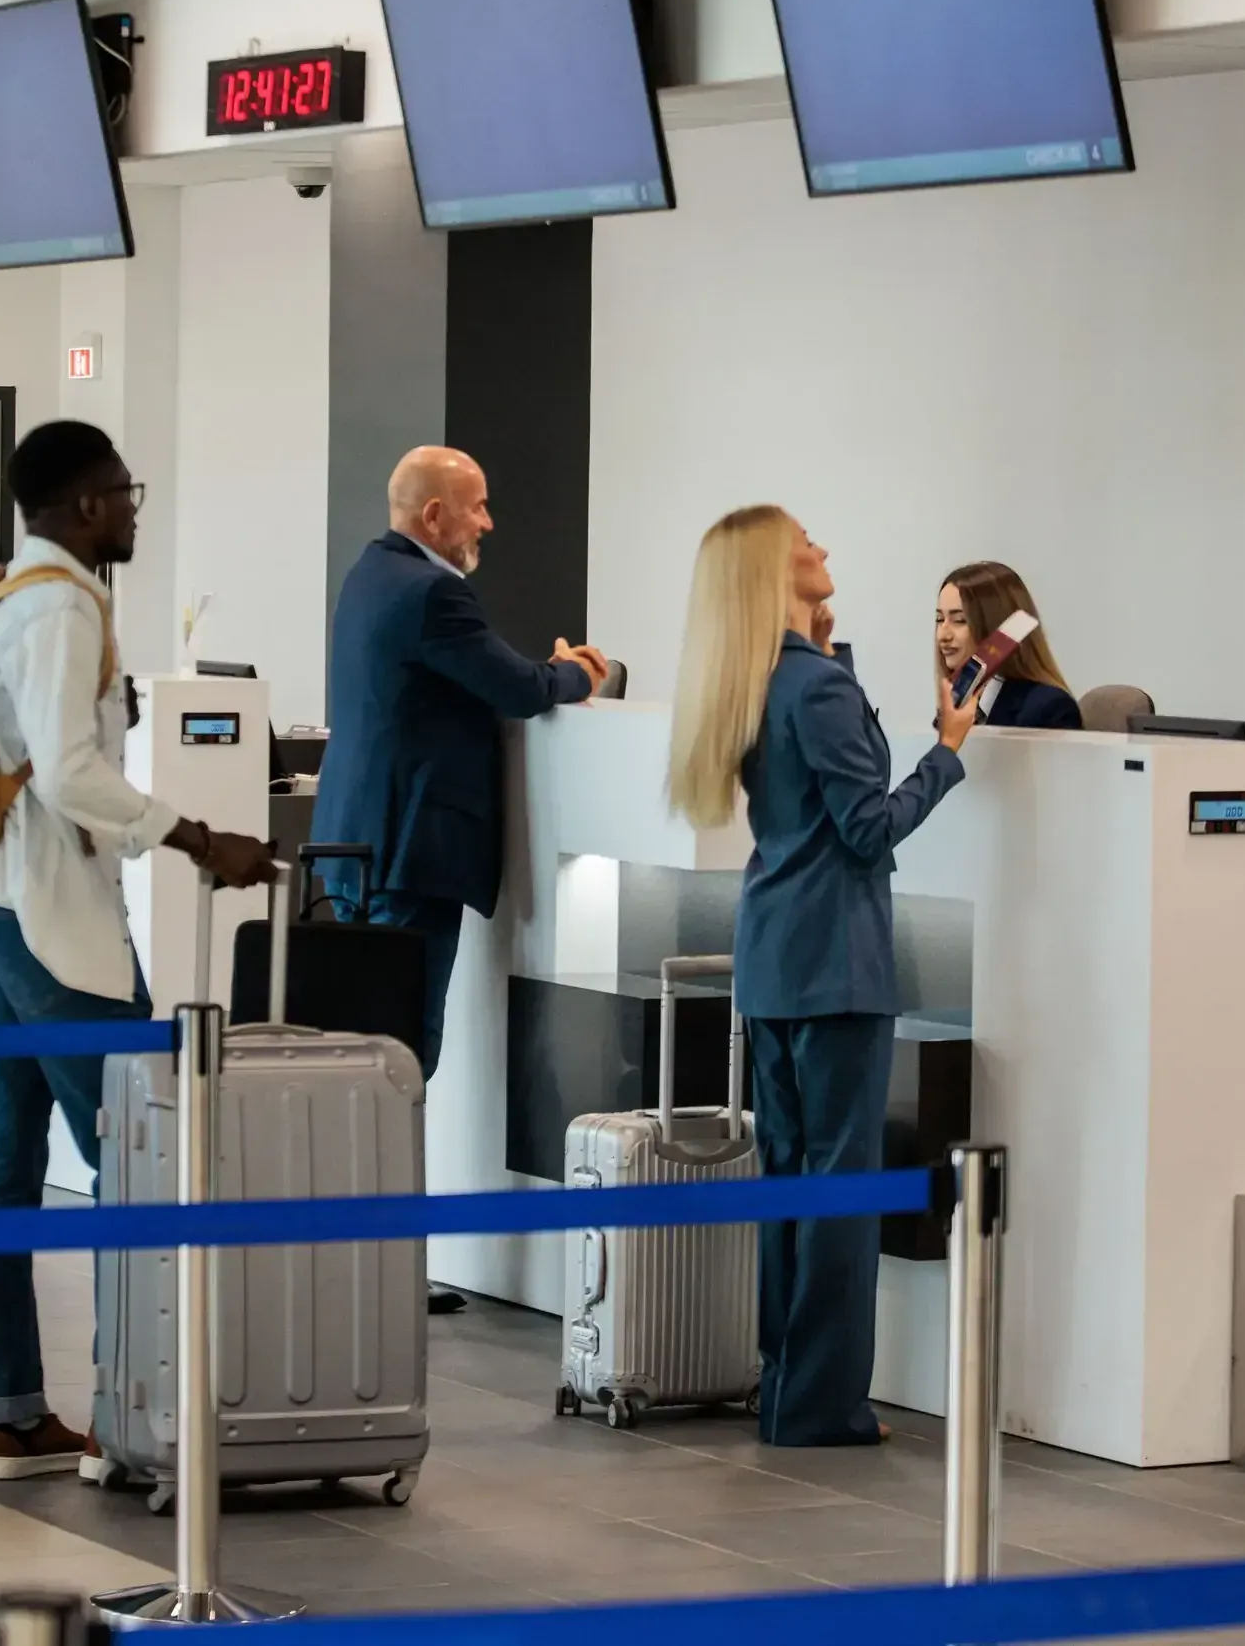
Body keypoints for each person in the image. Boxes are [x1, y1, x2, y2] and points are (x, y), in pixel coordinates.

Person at [0, 420, 275, 1482]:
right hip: (53, 926)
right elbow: (69, 771)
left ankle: (13, 1414)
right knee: (135, 1160)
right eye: (125, 492)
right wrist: (193, 836)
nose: (134, 508)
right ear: (85, 503)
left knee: (4, 1161)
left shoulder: (4, 593)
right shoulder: (62, 607)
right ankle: (130, 1424)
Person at [669, 505, 977, 1448]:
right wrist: (947, 754)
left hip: (771, 958)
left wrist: (831, 655)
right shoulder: (815, 690)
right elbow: (870, 829)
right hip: (838, 963)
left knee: (791, 1182)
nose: (825, 550)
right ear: (776, 568)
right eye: (808, 542)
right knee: (841, 1192)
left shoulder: (756, 680)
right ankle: (825, 1404)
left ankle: (786, 1391)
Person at [314, 446, 608, 1083]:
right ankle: (390, 1183)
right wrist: (576, 673)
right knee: (401, 1059)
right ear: (434, 514)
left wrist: (544, 673)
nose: (488, 522)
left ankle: (367, 1179)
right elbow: (520, 690)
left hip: (355, 848)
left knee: (362, 1053)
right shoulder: (434, 593)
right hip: (407, 857)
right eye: (477, 508)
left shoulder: (368, 574)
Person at [932, 561, 1080, 731]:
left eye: (960, 620)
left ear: (997, 627)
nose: (943, 635)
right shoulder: (955, 707)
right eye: (939, 620)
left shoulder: (1049, 708)